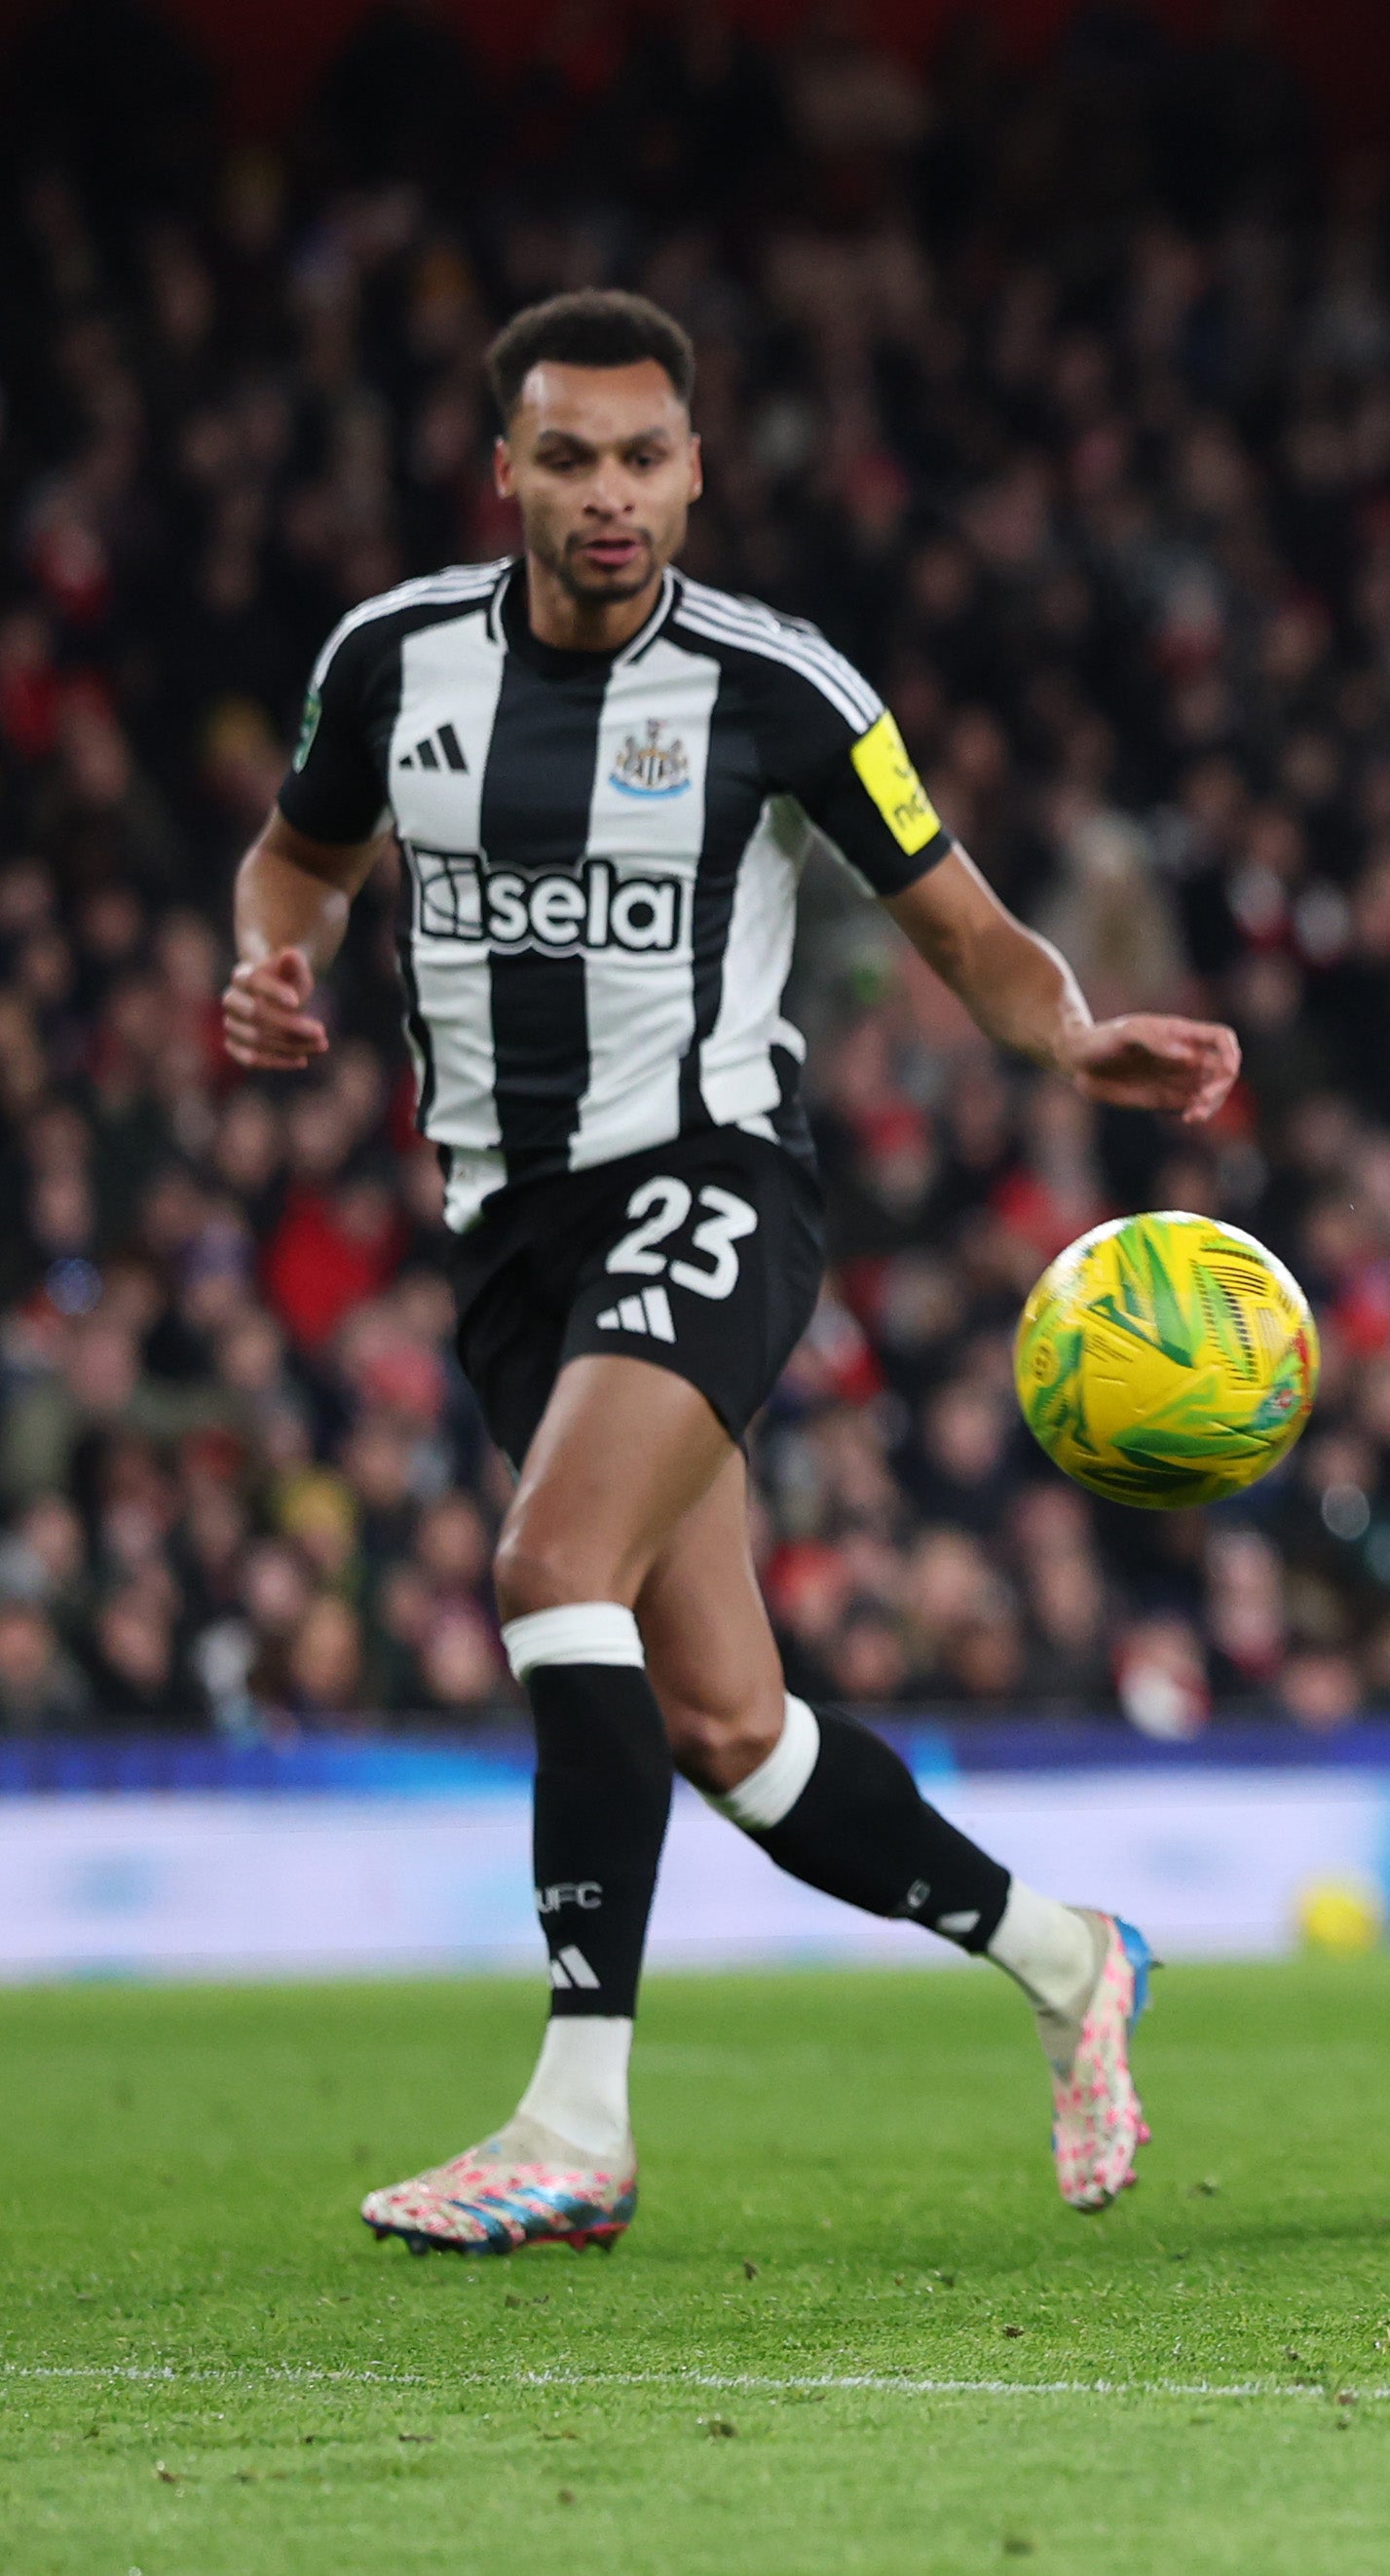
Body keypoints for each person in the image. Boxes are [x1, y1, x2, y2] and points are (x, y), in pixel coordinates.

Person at [223, 290, 1229, 2254]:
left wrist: (1072, 1036)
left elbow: (968, 928)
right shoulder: (390, 661)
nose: (609, 494)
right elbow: (299, 854)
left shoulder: (780, 688)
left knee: (545, 1571)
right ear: (502, 469)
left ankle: (574, 2121)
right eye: (569, 456)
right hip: (506, 1230)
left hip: (706, 1180)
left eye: (643, 456)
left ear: (697, 467)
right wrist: (276, 952)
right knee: (727, 1730)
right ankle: (1068, 1952)